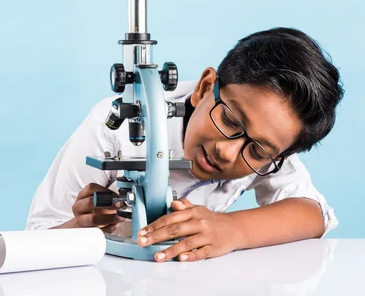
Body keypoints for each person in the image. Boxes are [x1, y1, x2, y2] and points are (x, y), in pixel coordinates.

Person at [26, 27, 344, 262]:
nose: (227, 151)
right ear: (205, 88)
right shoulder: (113, 123)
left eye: (258, 151)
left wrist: (232, 230)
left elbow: (314, 213)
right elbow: (35, 240)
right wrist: (80, 226)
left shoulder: (266, 143)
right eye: (231, 121)